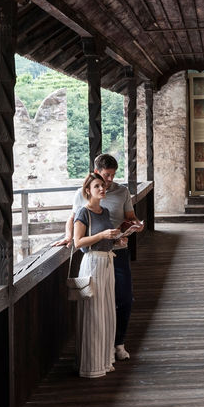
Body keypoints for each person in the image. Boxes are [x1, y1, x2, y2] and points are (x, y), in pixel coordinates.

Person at [55, 154, 142, 361]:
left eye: (113, 175)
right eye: (106, 175)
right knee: (97, 304)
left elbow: (129, 218)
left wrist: (136, 225)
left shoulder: (122, 192)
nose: (109, 180)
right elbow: (75, 219)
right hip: (94, 257)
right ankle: (99, 349)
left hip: (117, 254)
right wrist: (68, 237)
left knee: (124, 299)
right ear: (96, 172)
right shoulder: (82, 194)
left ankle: (118, 343)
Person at [72, 172, 126, 378]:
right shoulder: (83, 213)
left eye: (103, 186)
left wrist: (117, 241)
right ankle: (91, 366)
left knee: (106, 310)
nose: (102, 189)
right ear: (88, 191)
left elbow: (105, 238)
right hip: (92, 263)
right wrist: (103, 235)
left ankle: (105, 360)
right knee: (93, 312)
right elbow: (78, 242)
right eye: (97, 187)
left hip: (107, 261)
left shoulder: (103, 212)